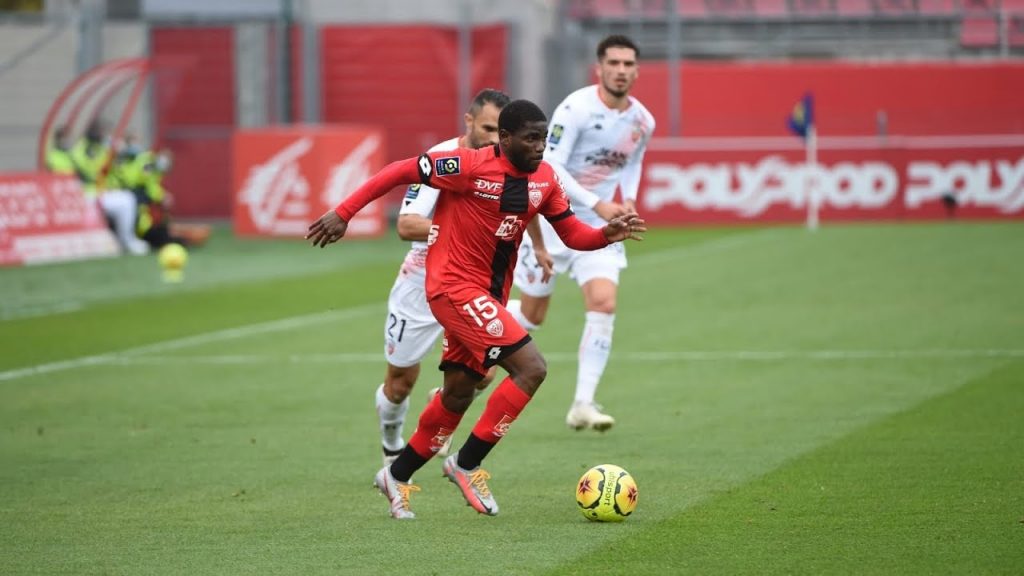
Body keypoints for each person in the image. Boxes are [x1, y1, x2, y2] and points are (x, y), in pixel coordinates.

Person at [306, 99, 646, 519]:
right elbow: (398, 170)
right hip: (452, 289)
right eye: (531, 138)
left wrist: (605, 235)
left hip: (488, 295)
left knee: (460, 391)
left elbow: (573, 233)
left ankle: (396, 474)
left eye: (543, 137)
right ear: (504, 139)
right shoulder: (466, 165)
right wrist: (344, 214)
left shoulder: (545, 179)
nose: (541, 146)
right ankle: (467, 463)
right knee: (532, 368)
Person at [507, 34, 656, 432]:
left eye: (628, 64)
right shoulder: (574, 109)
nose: (621, 71)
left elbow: (632, 165)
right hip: (553, 222)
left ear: (637, 71)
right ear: (600, 68)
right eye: (614, 63)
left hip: (600, 228)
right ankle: (475, 337)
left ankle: (583, 403)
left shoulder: (643, 121)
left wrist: (629, 199)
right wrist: (596, 201)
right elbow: (549, 167)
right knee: (533, 315)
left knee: (604, 303)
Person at [374, 89, 511, 467]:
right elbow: (406, 224)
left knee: (485, 372)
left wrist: (540, 247)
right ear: (468, 122)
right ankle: (391, 443)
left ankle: (443, 407)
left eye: (503, 131)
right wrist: (458, 231)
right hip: (422, 279)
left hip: (473, 282)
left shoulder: (507, 161)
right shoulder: (439, 160)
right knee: (400, 383)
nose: (496, 139)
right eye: (488, 128)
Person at [69, 120, 150, 255]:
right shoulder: (83, 149)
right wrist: (109, 155)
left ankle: (126, 240)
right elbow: (92, 169)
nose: (103, 135)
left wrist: (118, 153)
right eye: (101, 132)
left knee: (127, 199)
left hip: (101, 192)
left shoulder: (103, 147)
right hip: (85, 193)